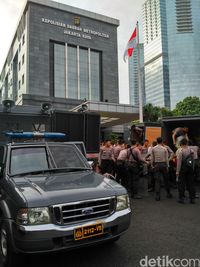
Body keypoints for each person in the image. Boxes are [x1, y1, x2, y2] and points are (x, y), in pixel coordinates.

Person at [151, 137, 172, 201]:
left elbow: (152, 158)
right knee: (166, 179)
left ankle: (157, 195)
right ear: (162, 141)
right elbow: (166, 159)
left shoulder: (153, 149)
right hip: (163, 165)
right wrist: (168, 166)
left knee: (157, 180)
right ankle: (168, 193)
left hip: (156, 165)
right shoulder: (164, 148)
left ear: (157, 141)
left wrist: (152, 165)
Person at [176, 138, 196, 204]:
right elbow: (193, 161)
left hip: (182, 169)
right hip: (190, 169)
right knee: (191, 183)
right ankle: (192, 199)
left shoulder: (180, 151)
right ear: (187, 143)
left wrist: (177, 171)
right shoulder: (191, 150)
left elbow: (179, 162)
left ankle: (181, 198)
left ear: (181, 144)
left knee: (181, 184)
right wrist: (192, 168)